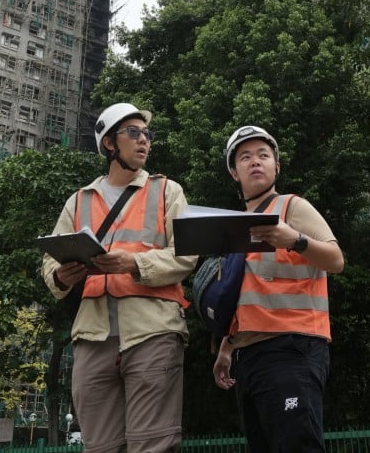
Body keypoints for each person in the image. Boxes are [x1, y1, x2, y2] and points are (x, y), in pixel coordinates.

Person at [42, 102, 196, 453]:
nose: (145, 141)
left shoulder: (167, 191)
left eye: (147, 134)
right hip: (92, 336)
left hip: (153, 329)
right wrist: (63, 277)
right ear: (110, 144)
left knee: (151, 444)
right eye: (134, 133)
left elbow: (187, 254)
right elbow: (49, 263)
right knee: (99, 446)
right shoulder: (78, 200)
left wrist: (134, 264)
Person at [212, 125, 345, 453]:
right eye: (245, 157)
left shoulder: (292, 207)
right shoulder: (237, 224)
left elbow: (336, 259)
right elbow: (245, 292)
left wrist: (295, 240)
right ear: (234, 172)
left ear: (277, 166)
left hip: (293, 347)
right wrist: (227, 349)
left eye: (263, 155)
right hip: (250, 356)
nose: (255, 162)